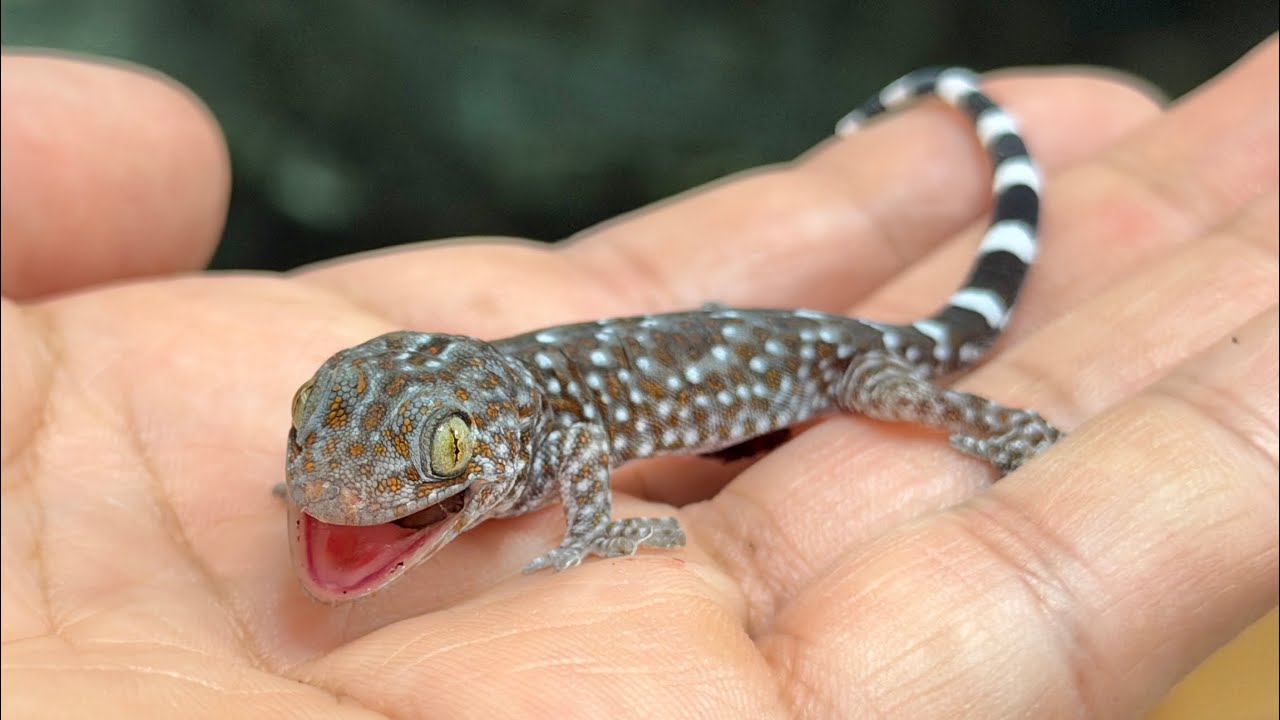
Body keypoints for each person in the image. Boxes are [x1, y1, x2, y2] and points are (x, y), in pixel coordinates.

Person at [2, 37, 1275, 718]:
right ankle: (971, 121)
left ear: (488, 446)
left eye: (440, 463)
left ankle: (990, 398)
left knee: (890, 383)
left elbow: (576, 477)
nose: (322, 496)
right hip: (714, 353)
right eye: (313, 443)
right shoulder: (499, 428)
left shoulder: (541, 447)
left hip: (823, 361)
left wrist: (594, 532)